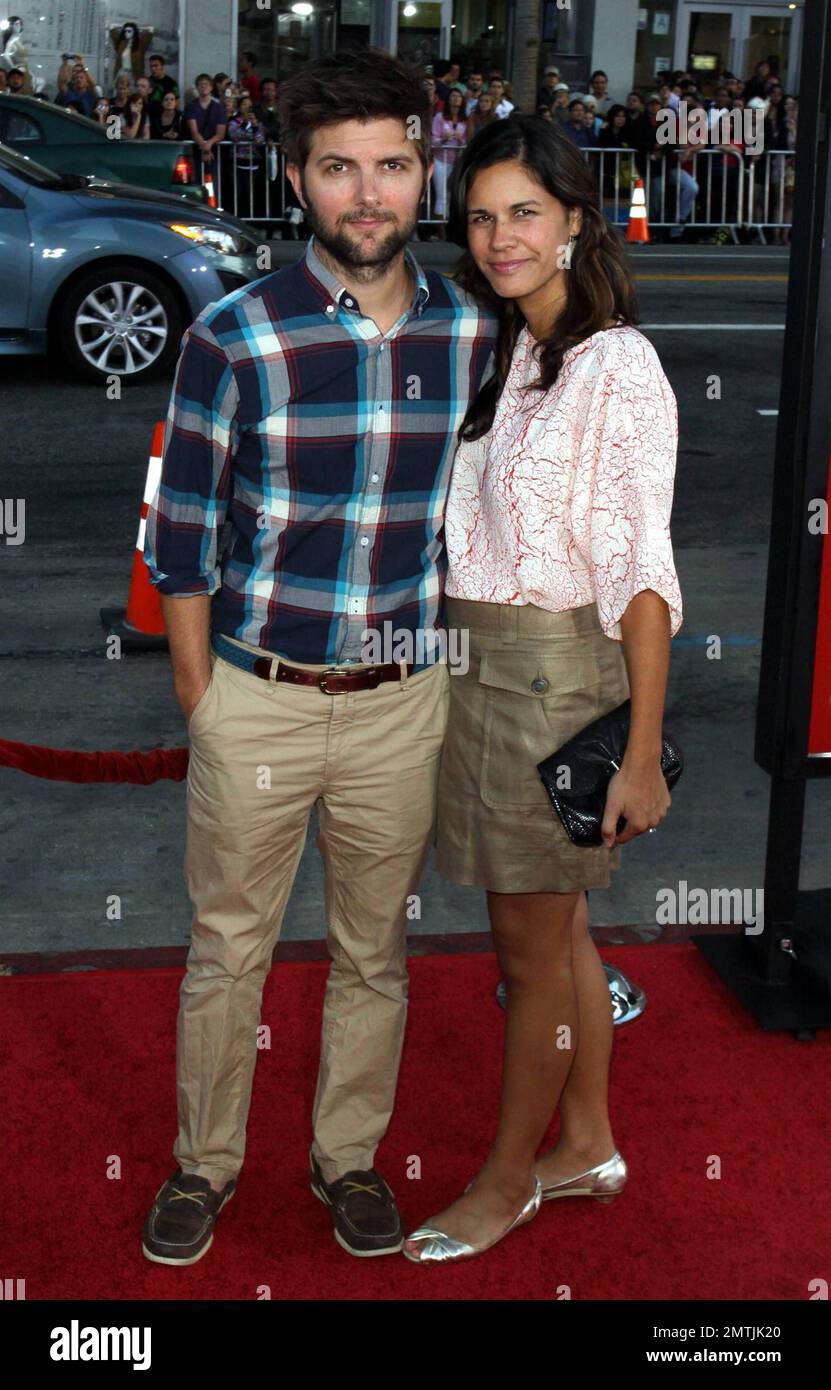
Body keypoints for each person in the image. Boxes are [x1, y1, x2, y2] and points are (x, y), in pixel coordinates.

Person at [141, 45, 498, 1269]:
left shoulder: (470, 332)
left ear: (423, 172)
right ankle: (205, 1163)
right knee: (226, 946)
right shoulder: (234, 336)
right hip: (259, 694)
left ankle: (347, 1157)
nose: (367, 194)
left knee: (374, 951)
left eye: (391, 166)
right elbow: (179, 537)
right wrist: (206, 699)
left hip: (403, 701)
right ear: (298, 180)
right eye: (338, 169)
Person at [402, 113, 682, 1265]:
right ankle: (588, 1143)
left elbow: (642, 575)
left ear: (575, 219)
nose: (500, 234)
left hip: (553, 683)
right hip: (480, 673)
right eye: (481, 214)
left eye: (525, 210)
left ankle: (509, 1177)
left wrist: (642, 752)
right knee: (562, 934)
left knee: (528, 959)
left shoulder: (617, 362)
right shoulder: (513, 346)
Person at [227, 92, 266, 217]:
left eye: (249, 105)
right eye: (244, 104)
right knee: (238, 192)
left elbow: (259, 140)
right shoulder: (234, 121)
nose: (247, 107)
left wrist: (254, 127)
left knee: (252, 193)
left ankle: (252, 217)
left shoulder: (257, 123)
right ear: (239, 107)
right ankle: (238, 216)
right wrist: (244, 124)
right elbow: (234, 136)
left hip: (253, 163)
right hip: (238, 162)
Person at [431, 86, 467, 220]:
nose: (456, 99)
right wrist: (443, 139)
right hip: (441, 160)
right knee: (442, 195)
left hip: (457, 161)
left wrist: (460, 139)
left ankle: (451, 226)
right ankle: (441, 230)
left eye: (458, 96)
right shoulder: (440, 117)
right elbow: (433, 140)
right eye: (453, 96)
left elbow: (467, 140)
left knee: (453, 195)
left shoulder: (465, 119)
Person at [185, 72, 228, 176]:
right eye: (200, 84)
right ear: (197, 87)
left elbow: (220, 133)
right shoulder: (191, 106)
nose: (203, 87)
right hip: (196, 149)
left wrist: (208, 144)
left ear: (211, 87)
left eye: (206, 84)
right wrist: (204, 147)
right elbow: (194, 131)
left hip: (214, 150)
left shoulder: (219, 108)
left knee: (213, 183)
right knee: (196, 180)